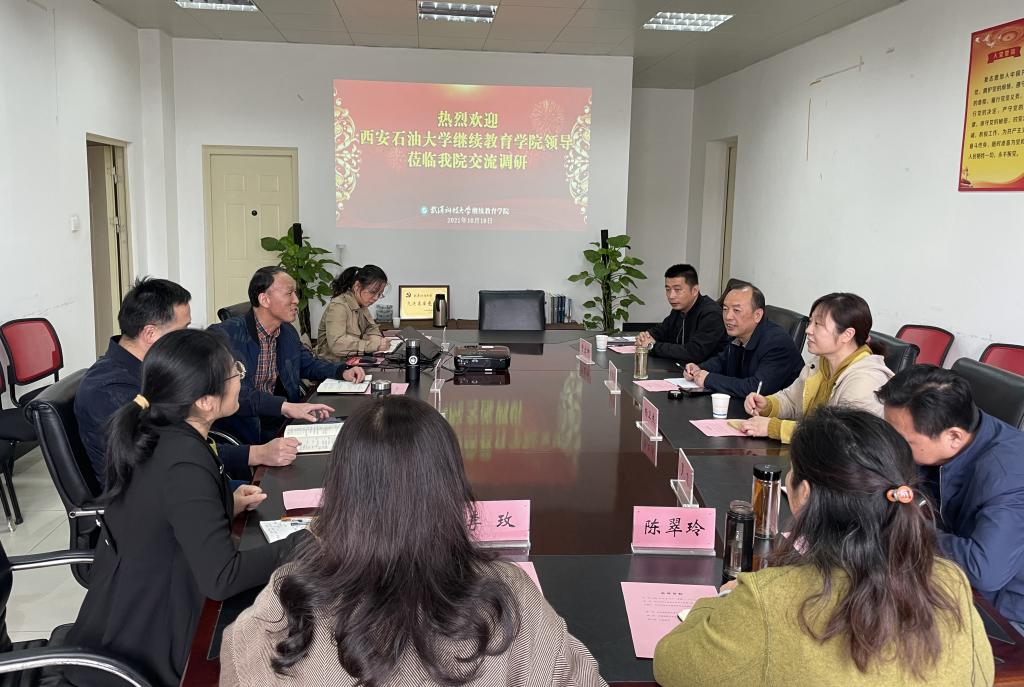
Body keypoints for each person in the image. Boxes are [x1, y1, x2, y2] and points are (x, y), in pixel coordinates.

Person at [220, 396, 607, 687]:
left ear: (339, 487)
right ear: (450, 487)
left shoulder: (288, 597)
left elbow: (239, 658)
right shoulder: (509, 593)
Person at [653, 407, 994, 686]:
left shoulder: (769, 600)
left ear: (805, 495)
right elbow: (980, 675)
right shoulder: (950, 581)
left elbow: (671, 665)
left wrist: (716, 602)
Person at [65, 329, 307, 687]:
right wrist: (302, 542)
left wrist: (226, 503)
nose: (241, 379)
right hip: (155, 643)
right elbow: (222, 577)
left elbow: (165, 514)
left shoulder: (159, 432)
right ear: (205, 401)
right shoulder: (184, 461)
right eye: (236, 372)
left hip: (137, 608)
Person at [76, 277, 300, 487]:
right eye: (182, 330)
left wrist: (257, 454)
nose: (187, 338)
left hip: (188, 477)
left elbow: (188, 444)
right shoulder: (109, 390)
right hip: (157, 498)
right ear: (150, 333)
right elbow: (168, 457)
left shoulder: (161, 368)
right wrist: (249, 466)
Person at [878, 365, 1024, 628]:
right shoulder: (945, 442)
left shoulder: (1010, 474)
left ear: (954, 436)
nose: (893, 447)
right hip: (952, 577)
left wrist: (908, 527)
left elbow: (984, 570)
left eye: (902, 441)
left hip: (1005, 611)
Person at [210, 266, 365, 444]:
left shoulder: (286, 331)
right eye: (289, 293)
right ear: (264, 299)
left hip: (280, 420)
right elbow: (235, 393)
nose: (296, 300)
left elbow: (307, 364)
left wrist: (342, 371)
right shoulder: (224, 336)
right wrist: (285, 407)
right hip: (245, 431)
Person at [741, 292, 892, 443]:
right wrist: (768, 405)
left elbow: (842, 436)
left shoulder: (866, 380)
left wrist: (775, 428)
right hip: (810, 451)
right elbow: (792, 401)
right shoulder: (820, 362)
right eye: (810, 322)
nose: (808, 330)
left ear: (847, 335)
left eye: (818, 324)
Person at [682, 281, 803, 397]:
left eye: (736, 310)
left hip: (776, 411)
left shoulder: (777, 343)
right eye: (725, 309)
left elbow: (756, 388)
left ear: (757, 315)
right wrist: (699, 369)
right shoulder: (739, 335)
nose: (728, 317)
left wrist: (709, 379)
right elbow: (722, 362)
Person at [634, 264, 727, 364]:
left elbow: (694, 352)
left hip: (702, 370)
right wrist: (645, 337)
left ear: (694, 290)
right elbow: (662, 330)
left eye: (677, 290)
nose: (671, 296)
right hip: (678, 367)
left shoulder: (711, 314)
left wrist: (652, 346)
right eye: (668, 289)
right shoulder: (679, 309)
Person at [315, 264, 390, 361]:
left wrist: (377, 341)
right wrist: (372, 345)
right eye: (373, 292)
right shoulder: (338, 306)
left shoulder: (362, 304)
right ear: (357, 286)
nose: (376, 298)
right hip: (332, 365)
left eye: (379, 294)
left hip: (353, 361)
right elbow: (337, 345)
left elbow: (371, 328)